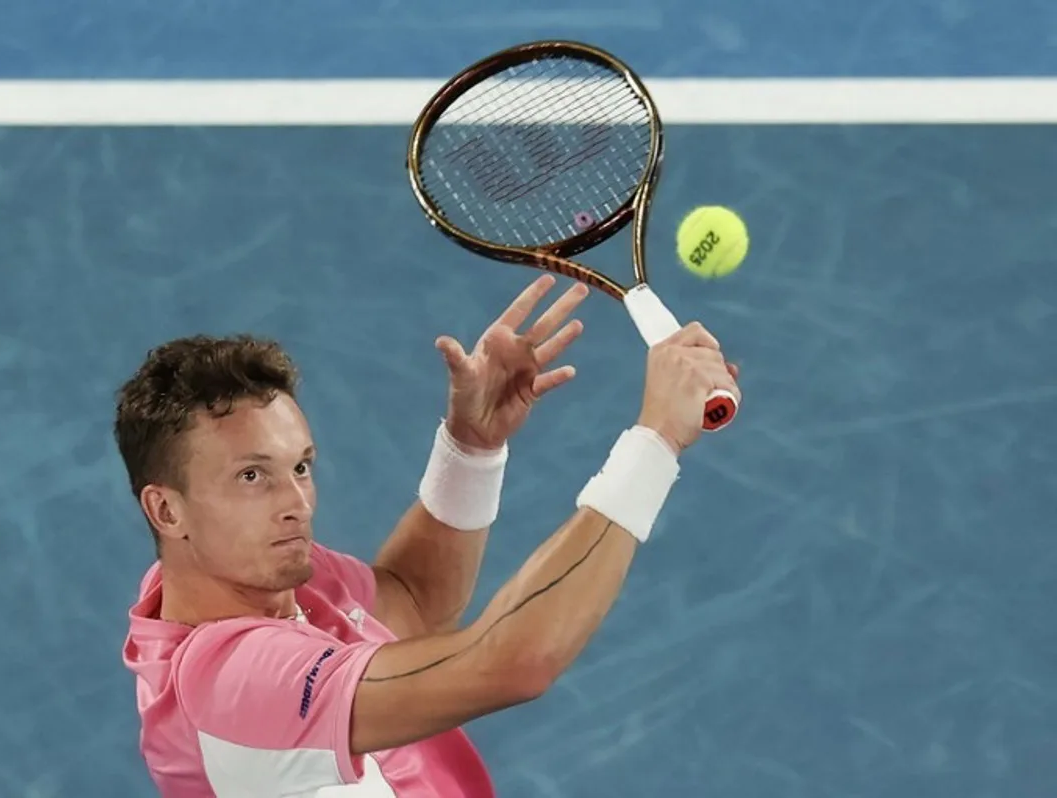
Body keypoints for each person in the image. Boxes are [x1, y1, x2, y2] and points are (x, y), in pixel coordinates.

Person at [118, 274, 741, 797]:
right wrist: (655, 440)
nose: (297, 503)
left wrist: (471, 449)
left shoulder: (239, 573)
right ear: (166, 511)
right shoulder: (231, 681)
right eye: (253, 476)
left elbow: (410, 603)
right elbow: (507, 665)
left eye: (300, 466)